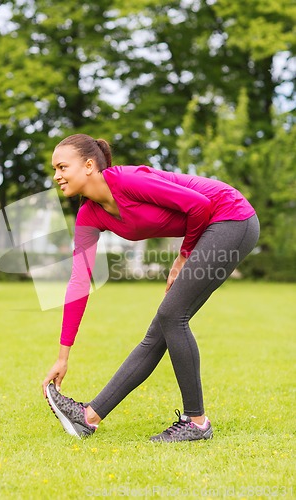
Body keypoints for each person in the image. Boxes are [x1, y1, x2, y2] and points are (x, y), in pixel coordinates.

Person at [42, 133, 260, 442]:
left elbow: (199, 205)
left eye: (62, 167)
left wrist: (183, 257)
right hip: (214, 226)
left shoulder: (127, 180)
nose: (57, 176)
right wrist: (62, 357)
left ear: (89, 165)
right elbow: (79, 281)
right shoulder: (89, 215)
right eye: (55, 169)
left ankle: (195, 421)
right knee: (159, 331)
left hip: (230, 217)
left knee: (172, 316)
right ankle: (88, 418)